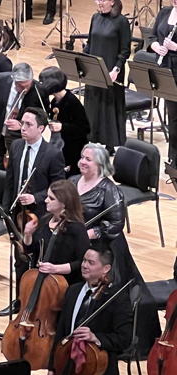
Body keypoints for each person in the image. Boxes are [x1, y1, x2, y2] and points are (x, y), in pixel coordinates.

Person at [69, 143, 161, 354]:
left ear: (100, 164)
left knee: (105, 296)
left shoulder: (110, 190)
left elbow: (115, 224)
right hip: (77, 245)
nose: (82, 162)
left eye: (88, 159)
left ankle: (101, 336)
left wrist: (91, 233)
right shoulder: (73, 181)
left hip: (104, 250)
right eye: (81, 157)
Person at [0, 107, 65, 316]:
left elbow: (58, 186)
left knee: (36, 256)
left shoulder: (53, 154)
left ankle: (35, 301)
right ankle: (20, 299)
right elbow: (10, 181)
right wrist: (6, 210)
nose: (23, 128)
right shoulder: (17, 146)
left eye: (28, 125)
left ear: (41, 128)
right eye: (22, 123)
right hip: (18, 213)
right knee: (20, 256)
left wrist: (36, 197)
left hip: (40, 214)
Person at [47, 244, 132, 375]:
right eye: (84, 261)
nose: (84, 265)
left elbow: (124, 339)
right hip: (66, 369)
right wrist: (52, 366)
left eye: (91, 263)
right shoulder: (73, 291)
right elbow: (61, 330)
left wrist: (96, 337)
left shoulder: (116, 299)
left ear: (106, 269)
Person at [83, 0, 131, 154]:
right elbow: (90, 43)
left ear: (112, 2)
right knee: (93, 104)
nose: (99, 3)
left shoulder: (122, 21)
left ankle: (110, 144)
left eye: (103, 0)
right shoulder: (95, 18)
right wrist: (83, 62)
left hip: (112, 71)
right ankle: (92, 138)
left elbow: (125, 50)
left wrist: (116, 69)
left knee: (108, 105)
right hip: (94, 70)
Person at [0, 63, 49, 169]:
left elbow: (43, 121)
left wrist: (22, 125)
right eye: (21, 86)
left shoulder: (39, 90)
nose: (25, 89)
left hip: (21, 139)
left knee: (17, 169)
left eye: (28, 85)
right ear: (14, 80)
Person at [23, 180, 90, 285]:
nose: (45, 200)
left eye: (51, 198)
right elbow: (31, 251)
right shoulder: (45, 220)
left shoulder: (77, 228)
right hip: (41, 279)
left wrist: (55, 269)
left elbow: (82, 262)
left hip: (63, 284)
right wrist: (28, 235)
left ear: (64, 203)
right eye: (47, 196)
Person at [39, 66, 90, 176]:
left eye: (43, 83)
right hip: (61, 145)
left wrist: (62, 127)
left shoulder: (72, 103)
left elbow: (84, 128)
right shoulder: (54, 101)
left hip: (73, 150)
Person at [150, 3, 177, 168]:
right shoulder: (165, 12)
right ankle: (173, 158)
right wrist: (156, 47)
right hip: (165, 68)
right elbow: (152, 36)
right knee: (172, 116)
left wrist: (175, 47)